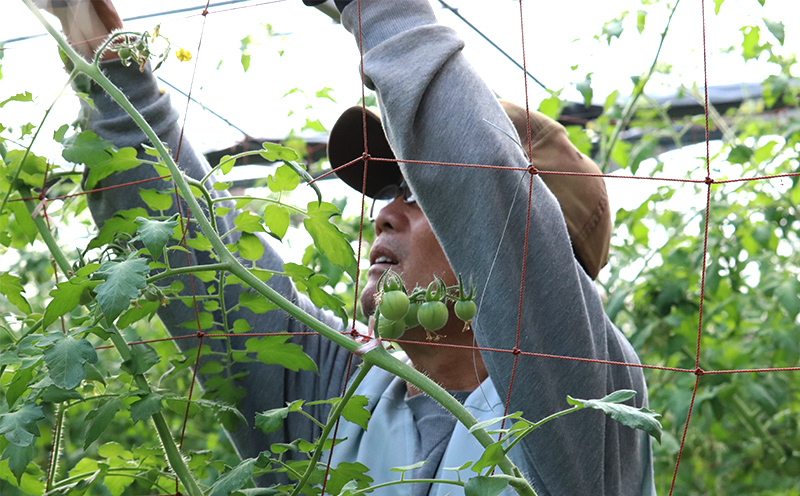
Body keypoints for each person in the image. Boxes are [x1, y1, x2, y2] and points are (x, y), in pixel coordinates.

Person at [42, 0, 656, 494]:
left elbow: (488, 186)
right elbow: (200, 259)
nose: (386, 215)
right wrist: (110, 70)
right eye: (391, 191)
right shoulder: (339, 398)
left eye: (424, 195)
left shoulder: (585, 403)